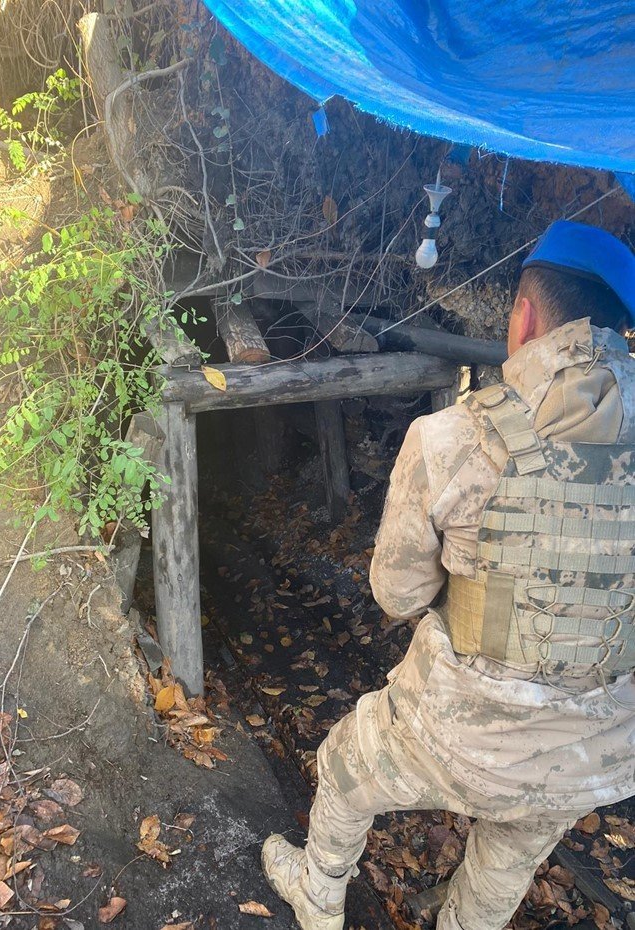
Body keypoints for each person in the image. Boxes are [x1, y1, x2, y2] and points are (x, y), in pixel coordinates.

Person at [261, 219, 635, 930]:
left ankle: (317, 899)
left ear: (524, 316)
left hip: (458, 737)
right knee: (515, 848)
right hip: (595, 751)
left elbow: (396, 594)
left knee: (343, 765)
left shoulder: (454, 437)